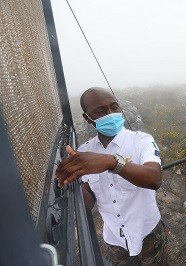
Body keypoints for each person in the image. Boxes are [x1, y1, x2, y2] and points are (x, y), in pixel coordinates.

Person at [56, 87, 167, 265]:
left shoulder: (141, 140)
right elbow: (89, 199)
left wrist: (112, 163)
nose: (110, 114)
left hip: (148, 232)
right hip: (115, 239)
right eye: (100, 110)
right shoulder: (85, 151)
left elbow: (154, 179)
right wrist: (71, 183)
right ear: (87, 118)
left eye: (114, 107)